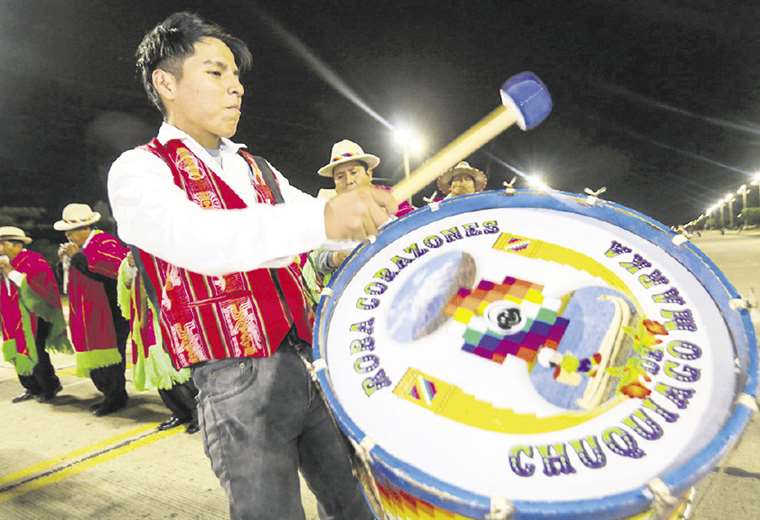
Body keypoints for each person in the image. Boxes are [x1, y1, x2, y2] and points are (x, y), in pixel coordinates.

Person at [108, 12, 396, 519]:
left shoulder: (257, 166)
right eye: (216, 73)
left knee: (358, 504)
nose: (236, 88)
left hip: (312, 358)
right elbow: (200, 240)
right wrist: (327, 217)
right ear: (165, 82)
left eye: (237, 77)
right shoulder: (140, 170)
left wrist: (368, 226)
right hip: (234, 379)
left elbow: (320, 234)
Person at [304, 139, 414, 302]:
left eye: (354, 172)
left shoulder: (394, 201)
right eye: (340, 176)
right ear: (334, 183)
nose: (348, 180)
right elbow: (318, 260)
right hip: (358, 298)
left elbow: (416, 230)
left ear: (369, 173)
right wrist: (335, 258)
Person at [55, 203, 130, 416]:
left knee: (112, 358)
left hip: (111, 313)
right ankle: (108, 393)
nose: (68, 236)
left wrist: (78, 256)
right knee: (95, 358)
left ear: (85, 228)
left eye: (70, 231)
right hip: (88, 314)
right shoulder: (80, 249)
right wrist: (65, 262)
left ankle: (115, 397)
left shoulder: (105, 242)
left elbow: (113, 272)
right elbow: (68, 283)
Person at [117, 252, 199, 433]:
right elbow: (127, 287)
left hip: (166, 319)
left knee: (176, 371)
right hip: (144, 324)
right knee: (157, 372)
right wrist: (130, 268)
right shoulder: (131, 259)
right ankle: (179, 412)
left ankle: (197, 413)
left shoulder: (163, 253)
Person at [0, 226, 69, 403]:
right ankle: (31, 387)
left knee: (36, 354)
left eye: (1, 243)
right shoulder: (4, 262)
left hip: (36, 317)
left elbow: (39, 290)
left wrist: (10, 271)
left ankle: (50, 386)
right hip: (11, 318)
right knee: (17, 352)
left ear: (15, 244)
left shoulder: (34, 260)